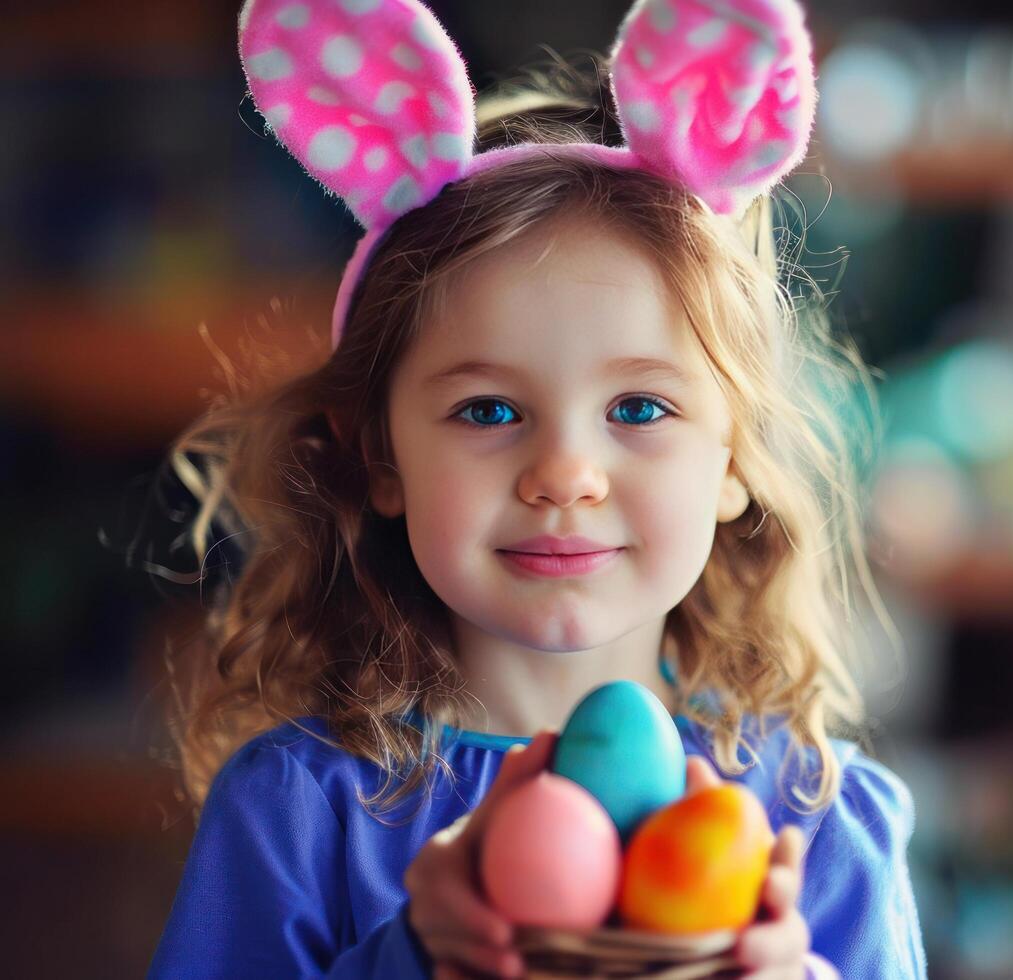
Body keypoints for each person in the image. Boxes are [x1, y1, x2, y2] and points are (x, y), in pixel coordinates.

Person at [148, 0, 926, 977]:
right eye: (488, 410)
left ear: (733, 460)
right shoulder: (298, 811)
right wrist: (416, 956)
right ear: (381, 458)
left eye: (640, 409)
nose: (565, 474)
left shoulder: (821, 824)